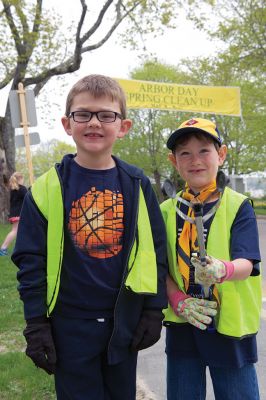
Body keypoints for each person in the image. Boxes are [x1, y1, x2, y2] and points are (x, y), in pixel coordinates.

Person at [12, 74, 168, 400]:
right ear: (68, 124)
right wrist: (36, 323)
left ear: (122, 126)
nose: (94, 122)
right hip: (69, 325)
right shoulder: (48, 188)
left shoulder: (137, 183)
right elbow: (31, 260)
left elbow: (156, 250)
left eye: (106, 115)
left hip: (123, 322)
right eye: (83, 114)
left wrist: (154, 310)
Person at [160, 117, 262, 400]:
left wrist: (223, 269)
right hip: (184, 322)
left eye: (204, 150)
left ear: (221, 154)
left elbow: (248, 263)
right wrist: (176, 300)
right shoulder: (166, 210)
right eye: (185, 153)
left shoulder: (238, 206)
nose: (195, 160)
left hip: (228, 326)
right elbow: (158, 267)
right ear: (173, 160)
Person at [0, 172, 27, 256]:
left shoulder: (13, 189)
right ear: (20, 179)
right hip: (19, 214)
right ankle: (3, 248)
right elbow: (28, 198)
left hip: (14, 214)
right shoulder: (22, 189)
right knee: (15, 231)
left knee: (21, 231)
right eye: (23, 179)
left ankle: (21, 249)